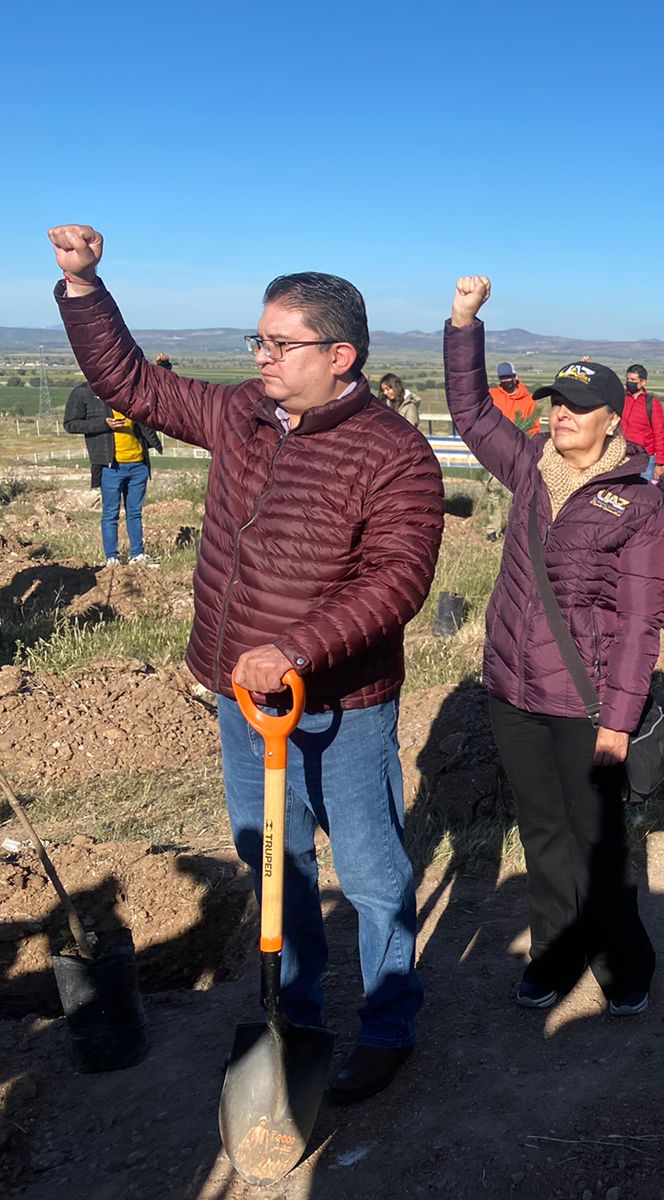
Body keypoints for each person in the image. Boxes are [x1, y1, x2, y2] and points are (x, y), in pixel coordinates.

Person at [48, 224, 444, 1103]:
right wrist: (84, 287)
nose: (260, 357)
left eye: (279, 343)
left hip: (342, 705)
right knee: (274, 861)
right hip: (243, 698)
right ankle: (294, 1014)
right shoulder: (240, 415)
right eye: (256, 341)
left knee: (374, 875)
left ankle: (388, 1022)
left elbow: (400, 580)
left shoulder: (393, 453)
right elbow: (131, 384)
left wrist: (297, 649)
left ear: (340, 355)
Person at [446, 276, 664, 1018]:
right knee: (542, 833)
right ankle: (553, 954)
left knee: (599, 841)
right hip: (513, 691)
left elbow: (641, 623)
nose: (562, 415)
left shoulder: (640, 503)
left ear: (614, 419)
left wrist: (618, 721)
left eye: (578, 407)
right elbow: (472, 412)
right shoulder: (527, 469)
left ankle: (620, 957)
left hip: (585, 702)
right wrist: (463, 323)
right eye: (556, 402)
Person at [63, 377, 162, 567]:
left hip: (139, 464)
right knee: (110, 513)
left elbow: (155, 391)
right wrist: (104, 424)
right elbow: (70, 424)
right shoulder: (84, 393)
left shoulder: (130, 390)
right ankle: (112, 559)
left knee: (135, 512)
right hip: (110, 466)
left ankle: (137, 555)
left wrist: (164, 368)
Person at [622, 363, 664, 481]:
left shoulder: (652, 404)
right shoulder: (622, 399)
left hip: (645, 458)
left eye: (633, 380)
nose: (629, 382)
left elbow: (659, 433)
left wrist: (660, 463)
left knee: (643, 494)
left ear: (642, 382)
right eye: (627, 379)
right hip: (622, 455)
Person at [489, 361, 539, 430]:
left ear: (515, 376)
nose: (505, 380)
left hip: (519, 439)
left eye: (508, 377)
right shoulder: (491, 395)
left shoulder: (529, 400)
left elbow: (533, 427)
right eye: (502, 377)